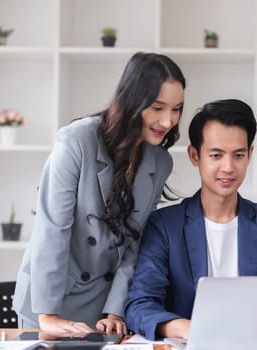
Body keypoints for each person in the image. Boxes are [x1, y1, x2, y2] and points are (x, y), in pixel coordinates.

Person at [12, 52, 186, 335]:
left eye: (176, 109)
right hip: (50, 300)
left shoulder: (160, 162)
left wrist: (116, 309)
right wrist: (47, 315)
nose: (168, 122)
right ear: (133, 100)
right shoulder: (77, 140)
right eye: (157, 107)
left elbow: (135, 244)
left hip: (101, 307)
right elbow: (52, 228)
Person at [125, 99, 257, 340]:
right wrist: (184, 328)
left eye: (238, 155)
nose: (228, 167)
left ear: (249, 155)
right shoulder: (165, 226)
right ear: (195, 155)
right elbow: (140, 305)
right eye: (216, 155)